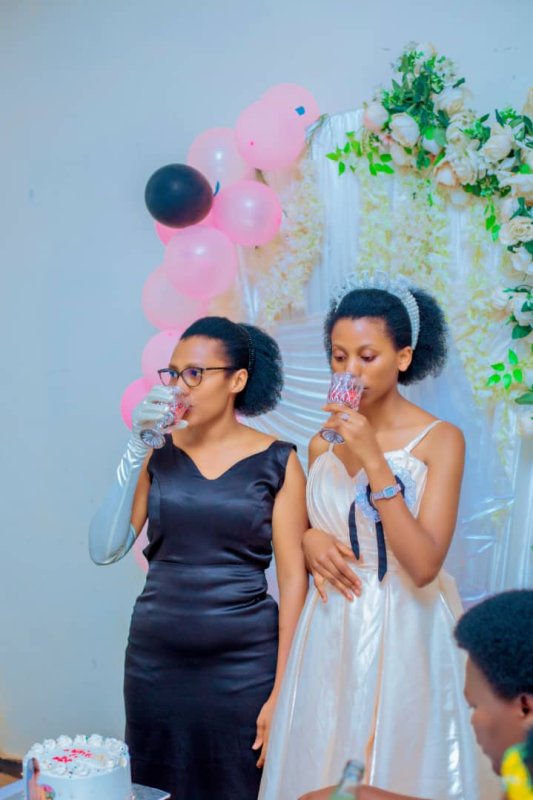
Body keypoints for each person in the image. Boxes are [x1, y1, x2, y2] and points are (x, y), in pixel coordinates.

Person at [259, 273, 499, 800]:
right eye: (339, 357)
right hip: (329, 627)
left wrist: (373, 459)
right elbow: (319, 526)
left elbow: (424, 565)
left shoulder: (441, 440)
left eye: (367, 357)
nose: (350, 371)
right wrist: (309, 540)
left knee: (396, 768)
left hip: (407, 625)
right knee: (320, 761)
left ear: (404, 357)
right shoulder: (321, 444)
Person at [89, 316, 308, 800]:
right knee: (154, 786)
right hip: (155, 662)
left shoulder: (281, 461)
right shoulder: (158, 452)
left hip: (245, 666)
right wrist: (136, 445)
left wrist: (283, 690)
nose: (178, 387)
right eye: (173, 373)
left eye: (195, 373)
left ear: (237, 380)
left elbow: (295, 582)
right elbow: (104, 549)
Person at [298, 589, 533, 800]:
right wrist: (365, 795)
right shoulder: (520, 769)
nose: (472, 721)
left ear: (525, 707)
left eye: (475, 707)